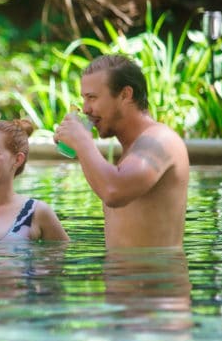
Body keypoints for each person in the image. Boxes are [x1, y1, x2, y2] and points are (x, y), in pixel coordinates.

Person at [54, 54, 190, 249]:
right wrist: (76, 147)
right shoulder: (130, 152)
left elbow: (114, 192)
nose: (85, 109)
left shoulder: (160, 139)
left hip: (159, 278)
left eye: (92, 97)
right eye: (84, 99)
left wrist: (83, 142)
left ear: (125, 95)